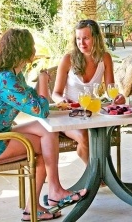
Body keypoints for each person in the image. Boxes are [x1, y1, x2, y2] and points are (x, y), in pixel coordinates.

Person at [0, 28, 87, 221]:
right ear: (24, 49)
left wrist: (41, 83)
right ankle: (51, 194)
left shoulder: (14, 75)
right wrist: (43, 79)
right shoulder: (5, 80)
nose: (34, 49)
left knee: (46, 131)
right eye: (32, 45)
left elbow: (33, 100)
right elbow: (40, 110)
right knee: (42, 145)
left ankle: (44, 199)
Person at [52, 19, 115, 165]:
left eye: (86, 38)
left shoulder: (105, 58)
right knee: (85, 136)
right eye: (78, 39)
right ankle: (94, 172)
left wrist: (117, 97)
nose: (81, 43)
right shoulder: (68, 59)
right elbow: (55, 93)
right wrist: (61, 101)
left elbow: (111, 89)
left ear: (96, 38)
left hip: (92, 113)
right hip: (70, 114)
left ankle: (99, 171)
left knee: (102, 135)